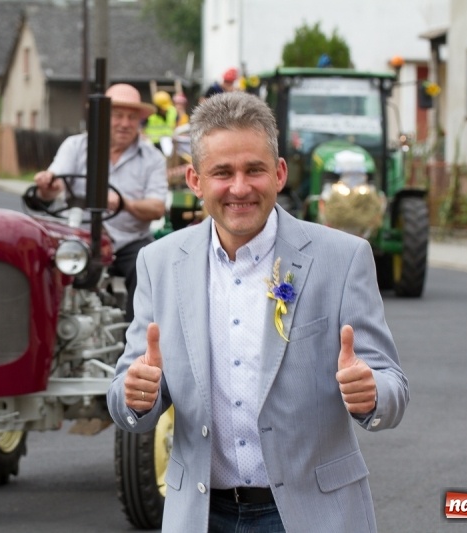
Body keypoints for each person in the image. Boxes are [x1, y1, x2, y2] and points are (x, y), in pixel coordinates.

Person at [107, 92, 408, 532]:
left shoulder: (343, 258)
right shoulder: (159, 263)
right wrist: (136, 396)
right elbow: (126, 396)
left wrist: (373, 394)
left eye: (255, 170)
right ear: (194, 180)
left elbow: (391, 386)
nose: (240, 188)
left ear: (280, 172)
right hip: (201, 516)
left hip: (310, 515)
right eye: (222, 173)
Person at [33, 83, 167, 321]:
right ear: (102, 117)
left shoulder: (153, 158)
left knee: (149, 266)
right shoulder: (76, 146)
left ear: (139, 121)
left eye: (132, 117)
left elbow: (157, 208)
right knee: (37, 265)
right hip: (77, 238)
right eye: (117, 115)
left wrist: (124, 204)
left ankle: (137, 348)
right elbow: (54, 184)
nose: (125, 123)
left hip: (128, 242)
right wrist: (48, 186)